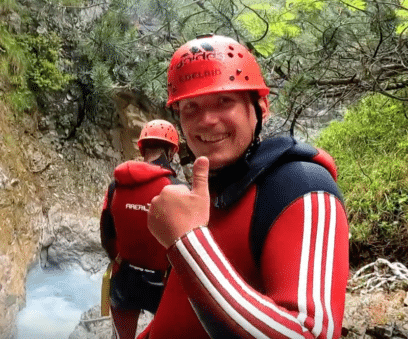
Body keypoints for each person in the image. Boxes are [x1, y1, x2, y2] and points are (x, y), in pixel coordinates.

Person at [139, 34, 350, 339]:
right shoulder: (213, 189)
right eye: (191, 108)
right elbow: (180, 309)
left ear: (261, 106)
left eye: (224, 101)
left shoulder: (302, 186)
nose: (206, 120)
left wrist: (187, 241)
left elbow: (309, 333)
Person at [100, 119, 187, 339]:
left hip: (124, 280)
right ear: (172, 151)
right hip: (162, 285)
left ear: (142, 148)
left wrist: (120, 260)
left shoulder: (116, 185)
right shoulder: (178, 189)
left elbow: (107, 235)